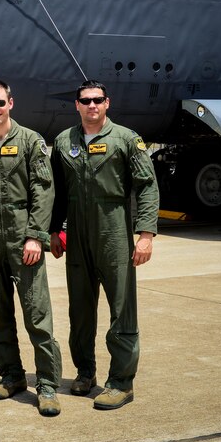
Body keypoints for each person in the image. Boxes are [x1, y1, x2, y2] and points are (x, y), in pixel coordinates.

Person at [49, 80, 159, 410]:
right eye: (86, 101)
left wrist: (145, 234)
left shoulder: (126, 139)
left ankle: (121, 382)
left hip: (114, 233)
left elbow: (147, 186)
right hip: (78, 237)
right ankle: (85, 373)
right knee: (80, 311)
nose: (92, 106)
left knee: (122, 310)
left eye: (97, 100)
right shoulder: (63, 141)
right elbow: (57, 192)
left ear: (107, 103)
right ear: (77, 105)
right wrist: (54, 231)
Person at [0, 79, 63, 417]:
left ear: (11, 103)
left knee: (36, 313)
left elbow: (43, 191)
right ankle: (12, 376)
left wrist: (35, 235)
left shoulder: (31, 141)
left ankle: (47, 385)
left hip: (22, 236)